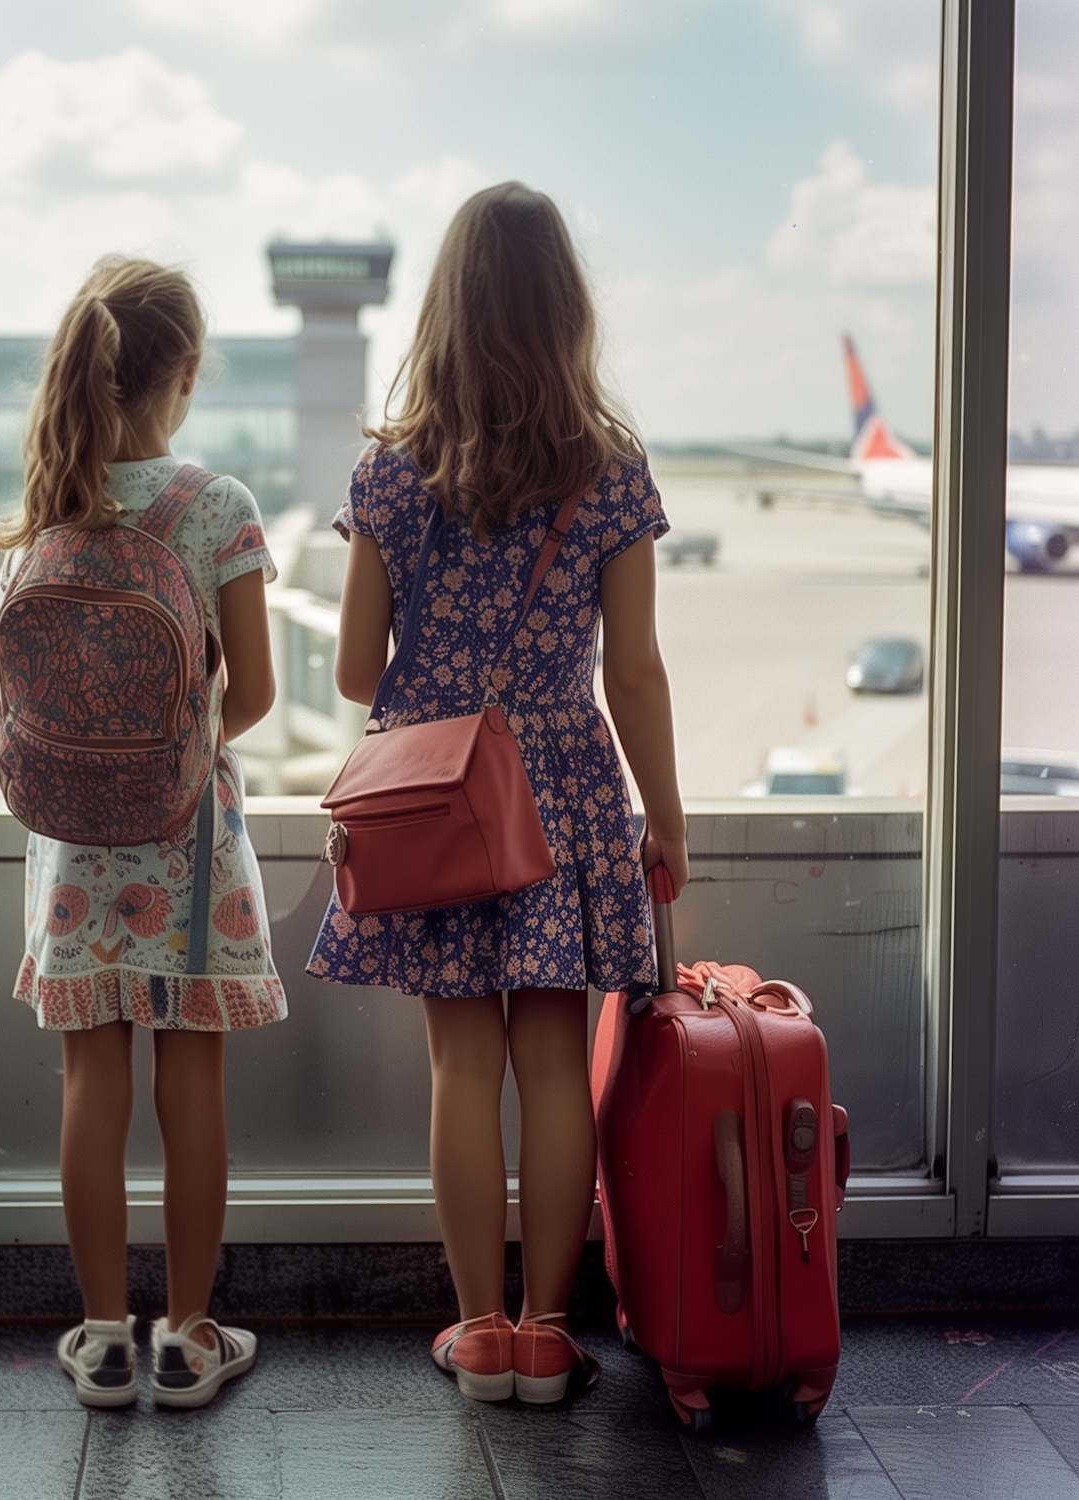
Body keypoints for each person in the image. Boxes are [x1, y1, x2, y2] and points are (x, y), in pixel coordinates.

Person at [308, 183, 689, 1404]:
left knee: (460, 1071)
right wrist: (666, 817)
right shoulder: (610, 470)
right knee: (551, 1061)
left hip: (438, 797)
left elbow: (356, 670)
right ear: (566, 309)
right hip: (566, 793)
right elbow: (632, 668)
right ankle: (545, 1332)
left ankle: (476, 1333)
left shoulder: (391, 472)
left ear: (445, 308)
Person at [0, 257, 284, 1410]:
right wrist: (188, 731)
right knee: (191, 1091)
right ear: (188, 375)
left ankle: (104, 1336)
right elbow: (249, 691)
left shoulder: (51, 500)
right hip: (188, 843)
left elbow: (26, 699)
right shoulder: (217, 509)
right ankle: (191, 1336)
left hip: (70, 854)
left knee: (87, 1088)